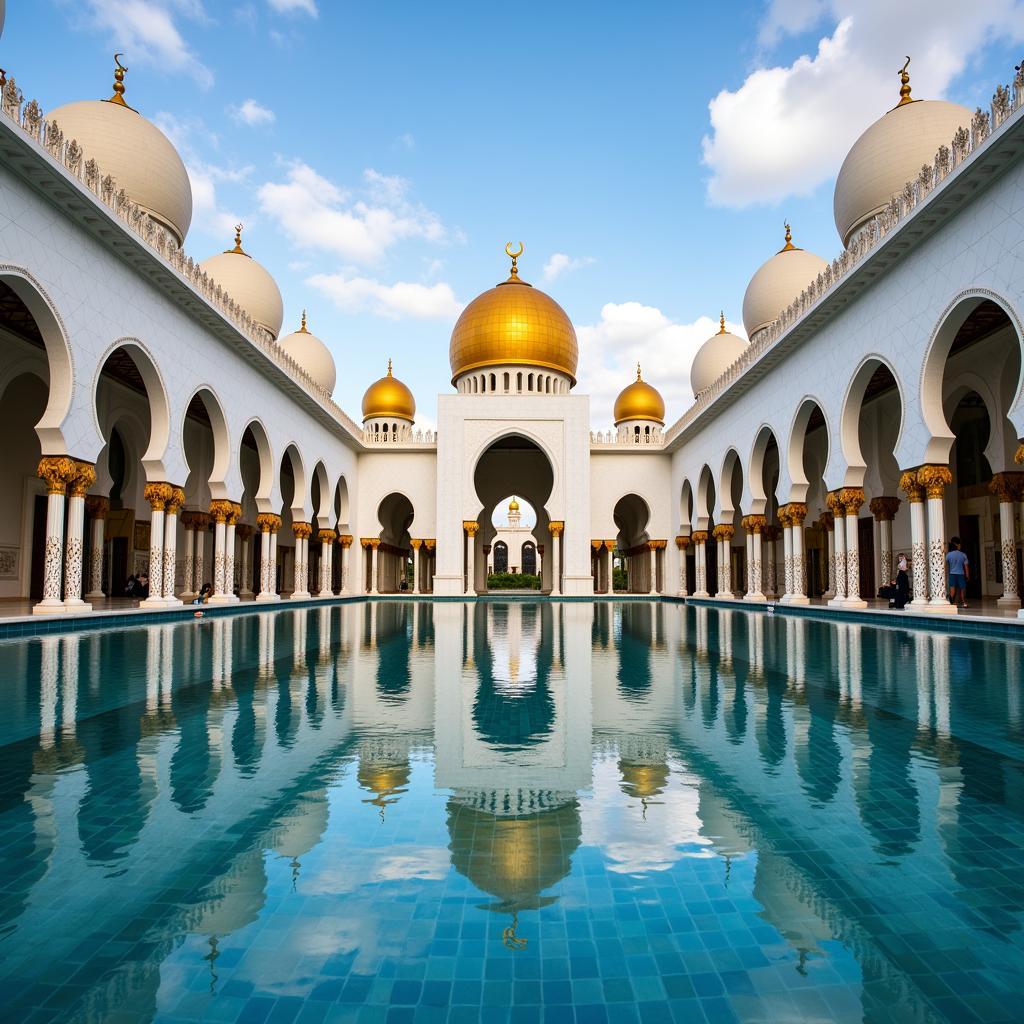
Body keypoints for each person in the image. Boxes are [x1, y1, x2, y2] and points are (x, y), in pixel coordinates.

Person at [945, 537, 969, 609]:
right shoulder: (963, 555)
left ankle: (951, 603)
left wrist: (945, 575)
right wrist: (967, 575)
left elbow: (944, 565)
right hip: (961, 574)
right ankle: (964, 602)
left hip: (952, 574)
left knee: (952, 590)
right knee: (962, 589)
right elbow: (966, 567)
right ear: (958, 545)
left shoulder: (948, 555)